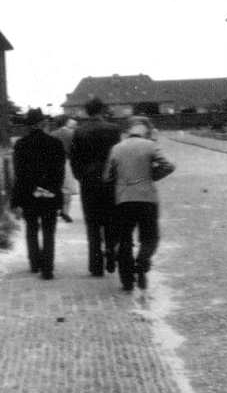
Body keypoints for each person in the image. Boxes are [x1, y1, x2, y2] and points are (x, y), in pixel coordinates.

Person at [104, 116, 175, 291]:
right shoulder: (150, 146)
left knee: (125, 239)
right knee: (150, 238)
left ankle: (127, 281)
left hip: (123, 200)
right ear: (144, 132)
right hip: (147, 198)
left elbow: (107, 176)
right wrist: (152, 176)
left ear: (128, 132)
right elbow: (168, 166)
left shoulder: (116, 148)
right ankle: (142, 262)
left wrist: (120, 180)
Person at [10, 108, 66, 280]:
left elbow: (19, 174)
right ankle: (47, 268)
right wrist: (54, 191)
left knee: (32, 229)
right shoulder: (55, 143)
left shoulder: (20, 145)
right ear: (43, 124)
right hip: (49, 192)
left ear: (28, 126)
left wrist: (16, 199)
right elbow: (60, 172)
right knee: (49, 231)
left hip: (29, 193)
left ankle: (35, 263)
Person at [70, 97, 122, 277]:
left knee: (92, 223)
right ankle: (110, 252)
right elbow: (118, 156)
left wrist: (81, 177)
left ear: (86, 111)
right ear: (102, 110)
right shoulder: (114, 130)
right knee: (111, 219)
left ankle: (95, 264)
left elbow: (74, 159)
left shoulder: (79, 132)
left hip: (88, 181)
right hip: (110, 181)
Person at [50, 117, 79, 222]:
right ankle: (65, 211)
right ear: (66, 123)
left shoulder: (52, 134)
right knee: (67, 189)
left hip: (53, 162)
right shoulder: (71, 134)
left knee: (55, 187)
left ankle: (55, 209)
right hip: (66, 162)